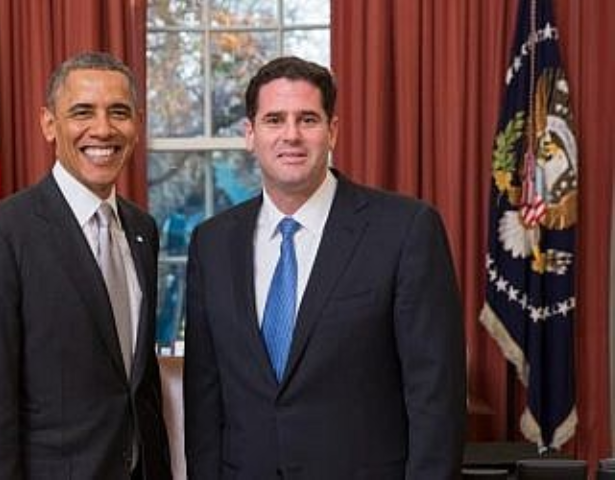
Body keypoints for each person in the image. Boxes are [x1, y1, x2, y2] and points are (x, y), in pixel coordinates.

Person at [183, 56, 466, 479]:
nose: (291, 135)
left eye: (308, 119)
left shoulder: (406, 230)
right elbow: (204, 400)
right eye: (274, 120)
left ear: (332, 131)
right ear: (250, 134)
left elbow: (436, 396)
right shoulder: (212, 243)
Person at [0, 52, 172, 479]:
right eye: (82, 112)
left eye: (119, 112)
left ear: (137, 125)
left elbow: (137, 387)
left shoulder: (142, 231)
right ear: (49, 124)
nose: (103, 129)